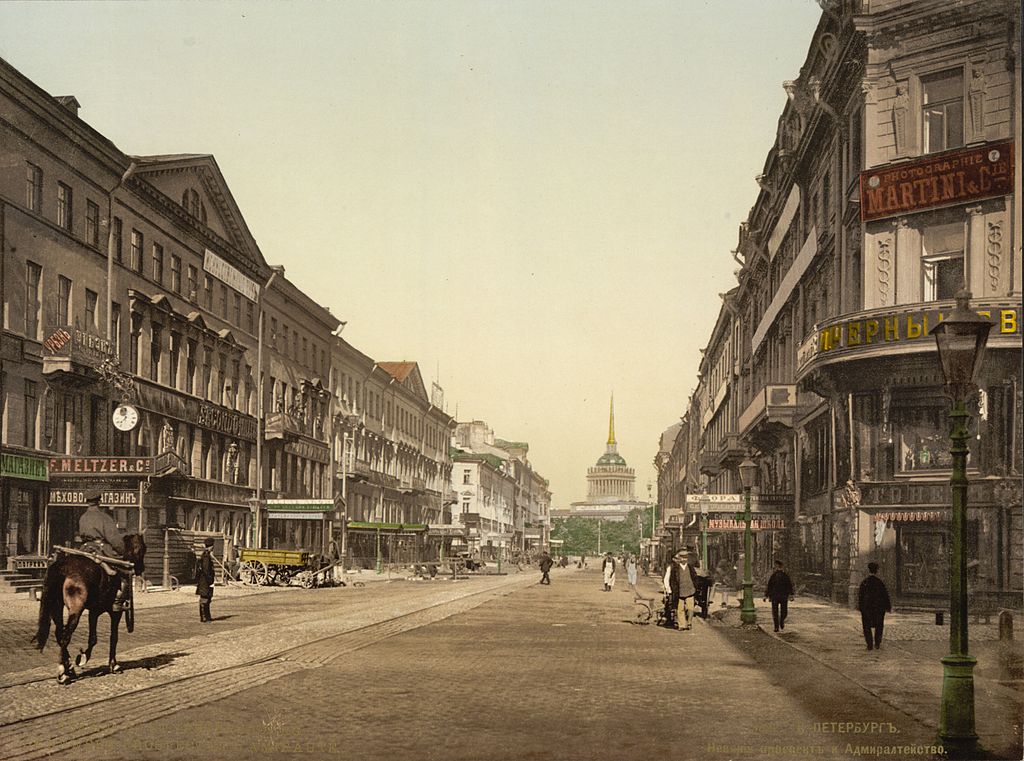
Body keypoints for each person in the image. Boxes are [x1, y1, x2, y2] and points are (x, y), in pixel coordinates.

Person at [77, 490, 131, 611]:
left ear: (87, 502)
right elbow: (114, 540)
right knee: (123, 570)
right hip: (101, 549)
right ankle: (118, 602)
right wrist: (122, 551)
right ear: (99, 502)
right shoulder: (104, 518)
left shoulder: (83, 517)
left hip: (85, 548)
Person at [857, 562, 892, 650]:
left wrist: (861, 607)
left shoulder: (864, 582)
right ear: (877, 571)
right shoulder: (880, 583)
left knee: (866, 626)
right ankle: (877, 643)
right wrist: (888, 606)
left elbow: (860, 596)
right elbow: (885, 595)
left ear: (868, 570)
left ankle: (869, 644)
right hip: (878, 608)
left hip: (867, 608)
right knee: (879, 625)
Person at [663, 550, 698, 630]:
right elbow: (672, 580)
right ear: (680, 558)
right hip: (679, 591)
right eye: (682, 558)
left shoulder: (690, 567)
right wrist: (670, 590)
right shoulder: (675, 569)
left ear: (687, 559)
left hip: (690, 591)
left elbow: (695, 578)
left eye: (685, 558)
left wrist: (695, 587)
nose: (684, 559)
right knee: (680, 609)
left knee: (690, 609)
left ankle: (689, 623)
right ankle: (681, 625)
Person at [763, 559, 795, 632]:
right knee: (777, 612)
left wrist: (791, 594)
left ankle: (781, 621)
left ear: (780, 567)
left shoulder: (784, 576)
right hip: (777, 596)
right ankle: (776, 626)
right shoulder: (774, 576)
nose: (777, 568)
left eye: (778, 567)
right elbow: (769, 586)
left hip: (782, 596)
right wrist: (766, 595)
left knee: (781, 612)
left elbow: (789, 585)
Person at [196, 537, 216, 623]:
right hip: (205, 581)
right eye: (212, 546)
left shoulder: (206, 555)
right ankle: (204, 617)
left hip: (205, 580)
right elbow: (206, 570)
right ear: (211, 546)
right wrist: (210, 580)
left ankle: (207, 616)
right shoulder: (206, 556)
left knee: (207, 598)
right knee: (204, 599)